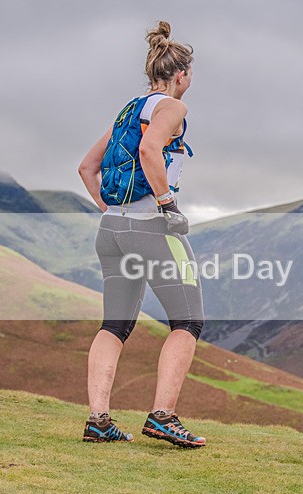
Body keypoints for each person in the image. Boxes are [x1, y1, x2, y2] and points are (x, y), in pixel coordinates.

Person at [78, 21, 205, 447]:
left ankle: (98, 420)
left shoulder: (128, 110)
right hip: (152, 226)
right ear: (182, 75)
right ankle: (163, 416)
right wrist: (167, 205)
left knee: (114, 324)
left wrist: (115, 212)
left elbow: (86, 168)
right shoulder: (172, 108)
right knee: (187, 320)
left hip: (111, 229)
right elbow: (151, 150)